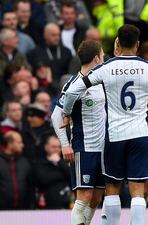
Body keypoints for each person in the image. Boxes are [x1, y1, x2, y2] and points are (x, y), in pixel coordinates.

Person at [61, 24, 148, 225]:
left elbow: (71, 92)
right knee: (138, 190)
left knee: (112, 187)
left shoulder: (106, 68)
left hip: (113, 136)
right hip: (139, 134)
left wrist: (67, 113)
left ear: (117, 43)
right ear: (138, 44)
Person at [51, 40, 106, 224]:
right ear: (97, 58)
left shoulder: (102, 81)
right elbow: (56, 116)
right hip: (85, 146)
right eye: (103, 54)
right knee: (84, 196)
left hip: (103, 148)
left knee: (97, 197)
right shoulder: (74, 85)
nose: (105, 57)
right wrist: (65, 145)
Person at [33, 134, 71, 209]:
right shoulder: (39, 163)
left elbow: (71, 177)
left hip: (66, 205)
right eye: (53, 147)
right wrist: (62, 174)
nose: (57, 149)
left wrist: (60, 162)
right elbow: (43, 179)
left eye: (59, 147)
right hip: (45, 205)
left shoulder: (64, 162)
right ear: (46, 147)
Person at [0, 131, 34, 209]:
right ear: (10, 144)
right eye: (19, 142)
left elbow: (31, 186)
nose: (22, 145)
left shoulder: (24, 162)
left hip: (23, 211)